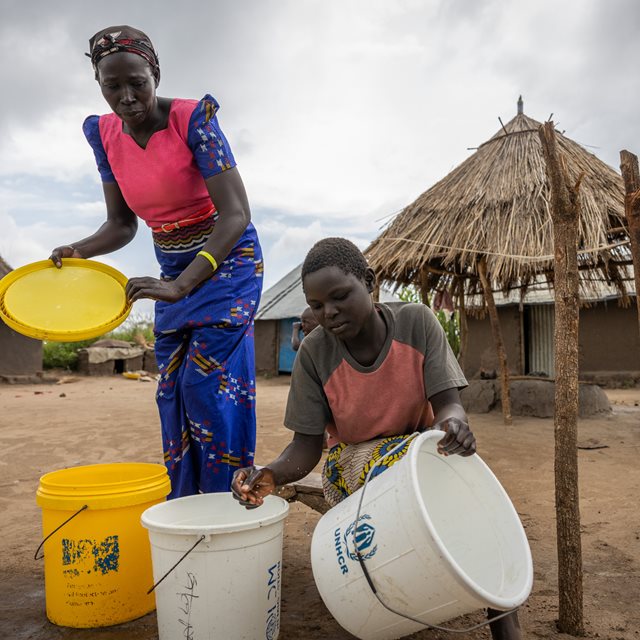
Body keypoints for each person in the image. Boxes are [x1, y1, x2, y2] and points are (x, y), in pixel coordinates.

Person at [231, 237, 522, 639]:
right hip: (348, 463)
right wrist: (272, 474)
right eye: (317, 306)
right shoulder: (314, 355)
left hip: (417, 452)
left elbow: (449, 406)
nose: (329, 313)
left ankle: (504, 614)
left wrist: (454, 425)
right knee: (424, 478)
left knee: (473, 491)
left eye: (339, 297)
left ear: (368, 281)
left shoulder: (417, 323)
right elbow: (305, 447)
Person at [49, 26, 263, 499]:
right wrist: (79, 249)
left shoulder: (194, 120)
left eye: (137, 83)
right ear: (99, 85)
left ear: (156, 74)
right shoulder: (103, 135)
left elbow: (236, 214)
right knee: (171, 391)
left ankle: (227, 499)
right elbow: (122, 225)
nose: (126, 97)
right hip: (172, 269)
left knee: (205, 385)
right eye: (113, 86)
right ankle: (187, 502)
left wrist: (181, 286)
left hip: (227, 263)